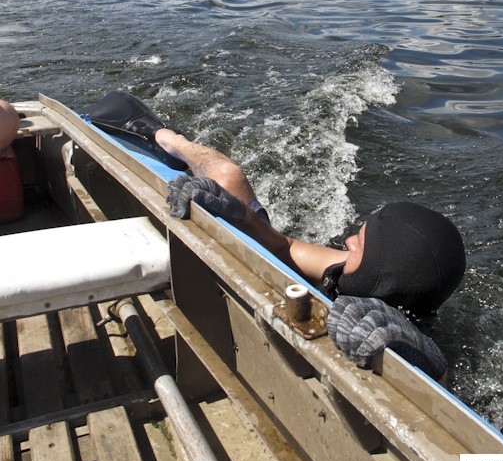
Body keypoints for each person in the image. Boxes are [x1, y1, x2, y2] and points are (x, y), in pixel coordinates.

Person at [84, 90, 466, 381]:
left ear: (389, 275)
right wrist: (237, 214)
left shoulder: (404, 333)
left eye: (360, 242)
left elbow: (450, 402)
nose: (347, 241)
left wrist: (416, 355)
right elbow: (286, 246)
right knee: (229, 176)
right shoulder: (352, 273)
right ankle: (166, 137)